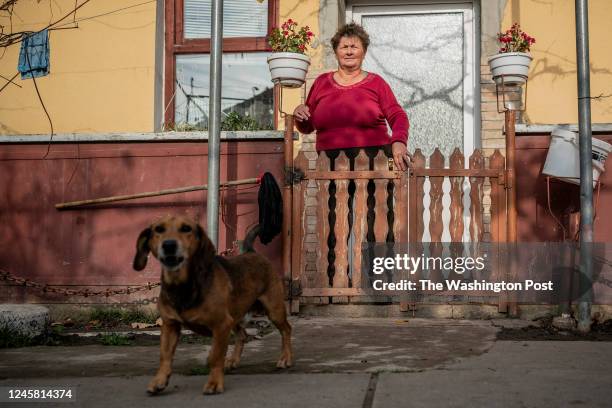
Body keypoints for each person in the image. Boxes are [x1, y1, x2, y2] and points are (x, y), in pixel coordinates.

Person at [293, 22, 410, 171]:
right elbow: (307, 126)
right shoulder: (321, 83)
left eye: (354, 47)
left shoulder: (377, 83)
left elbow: (398, 115)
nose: (349, 52)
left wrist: (399, 141)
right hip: (330, 165)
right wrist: (299, 114)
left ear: (364, 52)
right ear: (336, 52)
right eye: (344, 47)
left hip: (376, 163)